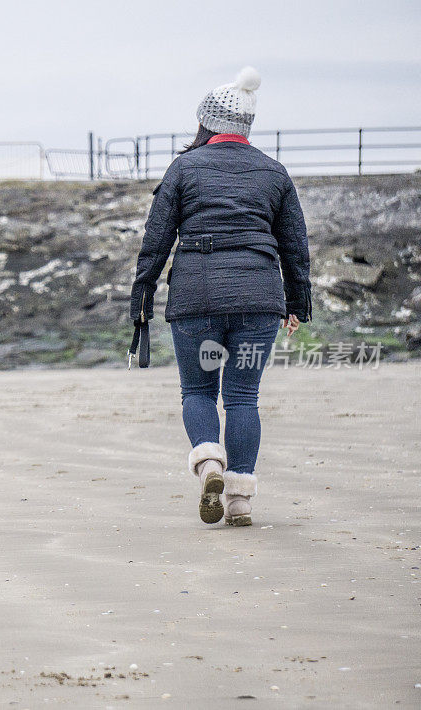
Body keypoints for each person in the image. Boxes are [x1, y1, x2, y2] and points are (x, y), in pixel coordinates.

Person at [129, 66, 311, 527]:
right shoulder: (274, 172)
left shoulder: (184, 168)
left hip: (196, 299)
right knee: (243, 398)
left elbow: (156, 240)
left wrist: (142, 299)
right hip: (259, 300)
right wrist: (297, 303)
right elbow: (295, 244)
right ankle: (240, 501)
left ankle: (209, 462)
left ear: (205, 121)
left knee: (198, 390)